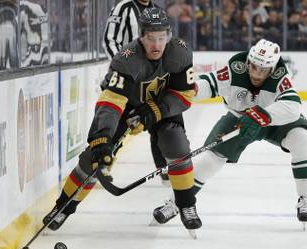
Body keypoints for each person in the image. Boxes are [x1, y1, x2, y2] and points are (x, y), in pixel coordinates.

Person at [43, 7, 201, 233]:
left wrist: (154, 110)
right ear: (141, 36)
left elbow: (184, 96)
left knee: (176, 145)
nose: (157, 45)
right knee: (93, 159)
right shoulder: (126, 59)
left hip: (162, 109)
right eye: (150, 38)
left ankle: (186, 206)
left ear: (169, 35)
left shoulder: (180, 52)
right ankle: (63, 207)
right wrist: (101, 138)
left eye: (161, 38)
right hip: (128, 108)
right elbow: (111, 101)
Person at [152, 39, 307, 227]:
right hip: (239, 119)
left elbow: (293, 106)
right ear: (248, 62)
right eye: (254, 67)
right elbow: (210, 83)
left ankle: (306, 198)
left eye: (263, 70)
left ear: (272, 69)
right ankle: (174, 203)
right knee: (209, 161)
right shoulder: (236, 68)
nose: (256, 74)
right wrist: (189, 90)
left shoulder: (281, 75)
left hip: (273, 119)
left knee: (305, 141)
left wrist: (260, 116)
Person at [103, 0, 171, 186]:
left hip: (152, 79)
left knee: (158, 120)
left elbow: (165, 43)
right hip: (127, 79)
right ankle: (102, 163)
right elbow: (110, 39)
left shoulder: (157, 11)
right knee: (118, 122)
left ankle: (164, 167)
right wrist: (124, 67)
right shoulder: (123, 7)